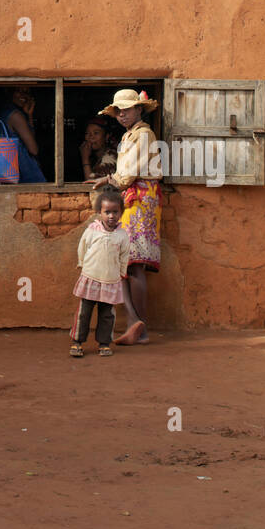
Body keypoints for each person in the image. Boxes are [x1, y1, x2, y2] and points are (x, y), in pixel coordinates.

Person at [93, 87, 161, 346]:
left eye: (127, 110)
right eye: (118, 111)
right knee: (126, 263)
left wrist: (108, 180)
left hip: (138, 199)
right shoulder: (132, 134)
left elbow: (127, 175)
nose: (122, 115)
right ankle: (135, 322)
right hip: (135, 199)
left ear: (139, 109)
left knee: (132, 263)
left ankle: (138, 326)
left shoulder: (143, 135)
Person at [69, 187, 129, 358]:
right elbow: (83, 247)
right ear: (99, 213)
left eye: (115, 212)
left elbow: (124, 256)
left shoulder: (122, 236)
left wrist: (122, 273)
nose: (111, 216)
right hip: (91, 278)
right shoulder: (92, 230)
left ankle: (104, 343)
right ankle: (77, 342)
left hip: (111, 280)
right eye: (107, 212)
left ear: (121, 212)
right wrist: (82, 264)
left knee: (107, 314)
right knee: (84, 312)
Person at [0, 88, 49, 183]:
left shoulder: (4, 112)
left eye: (27, 92)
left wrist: (29, 115)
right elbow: (34, 150)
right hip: (24, 173)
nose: (24, 95)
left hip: (7, 173)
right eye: (18, 90)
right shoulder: (16, 115)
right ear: (10, 92)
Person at [79, 115, 118, 186]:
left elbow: (92, 185)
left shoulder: (110, 156)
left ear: (106, 136)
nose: (91, 137)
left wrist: (85, 159)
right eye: (87, 133)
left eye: (96, 133)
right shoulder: (94, 156)